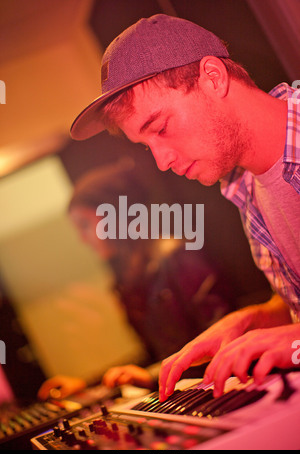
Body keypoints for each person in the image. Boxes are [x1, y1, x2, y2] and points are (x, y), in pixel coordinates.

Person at [69, 13, 300, 402]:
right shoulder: (244, 186)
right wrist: (253, 320)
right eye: (146, 145)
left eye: (159, 128)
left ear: (213, 77)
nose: (161, 161)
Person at [38, 160, 232, 400]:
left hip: (219, 394)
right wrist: (88, 386)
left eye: (85, 225)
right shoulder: (128, 277)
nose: (82, 239)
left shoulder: (178, 256)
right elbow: (156, 359)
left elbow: (222, 344)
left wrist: (150, 376)